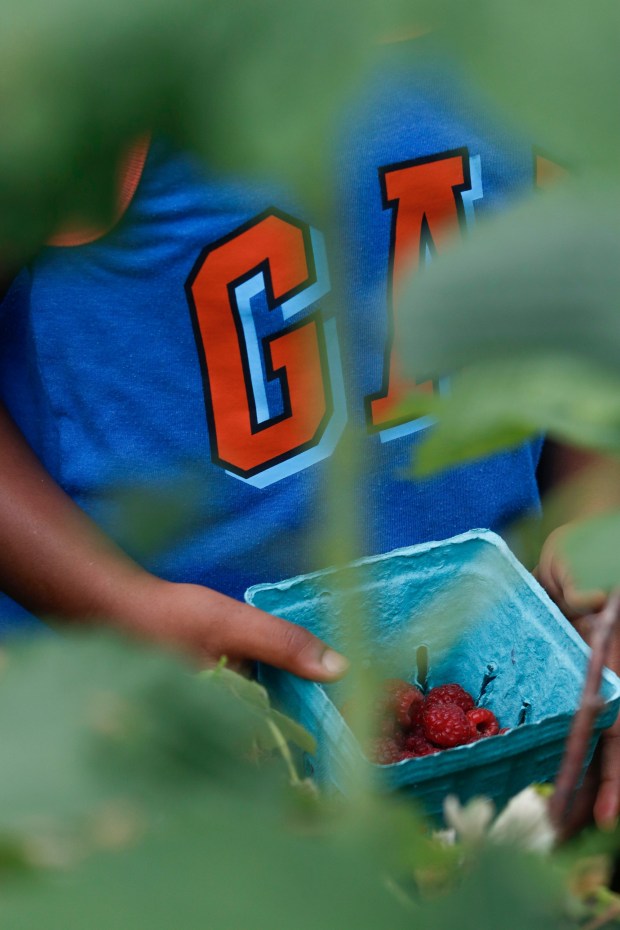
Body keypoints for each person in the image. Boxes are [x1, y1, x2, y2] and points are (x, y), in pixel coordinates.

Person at [0, 36, 616, 826]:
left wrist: (596, 530)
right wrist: (120, 607)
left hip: (495, 738)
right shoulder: (103, 53)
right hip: (154, 761)